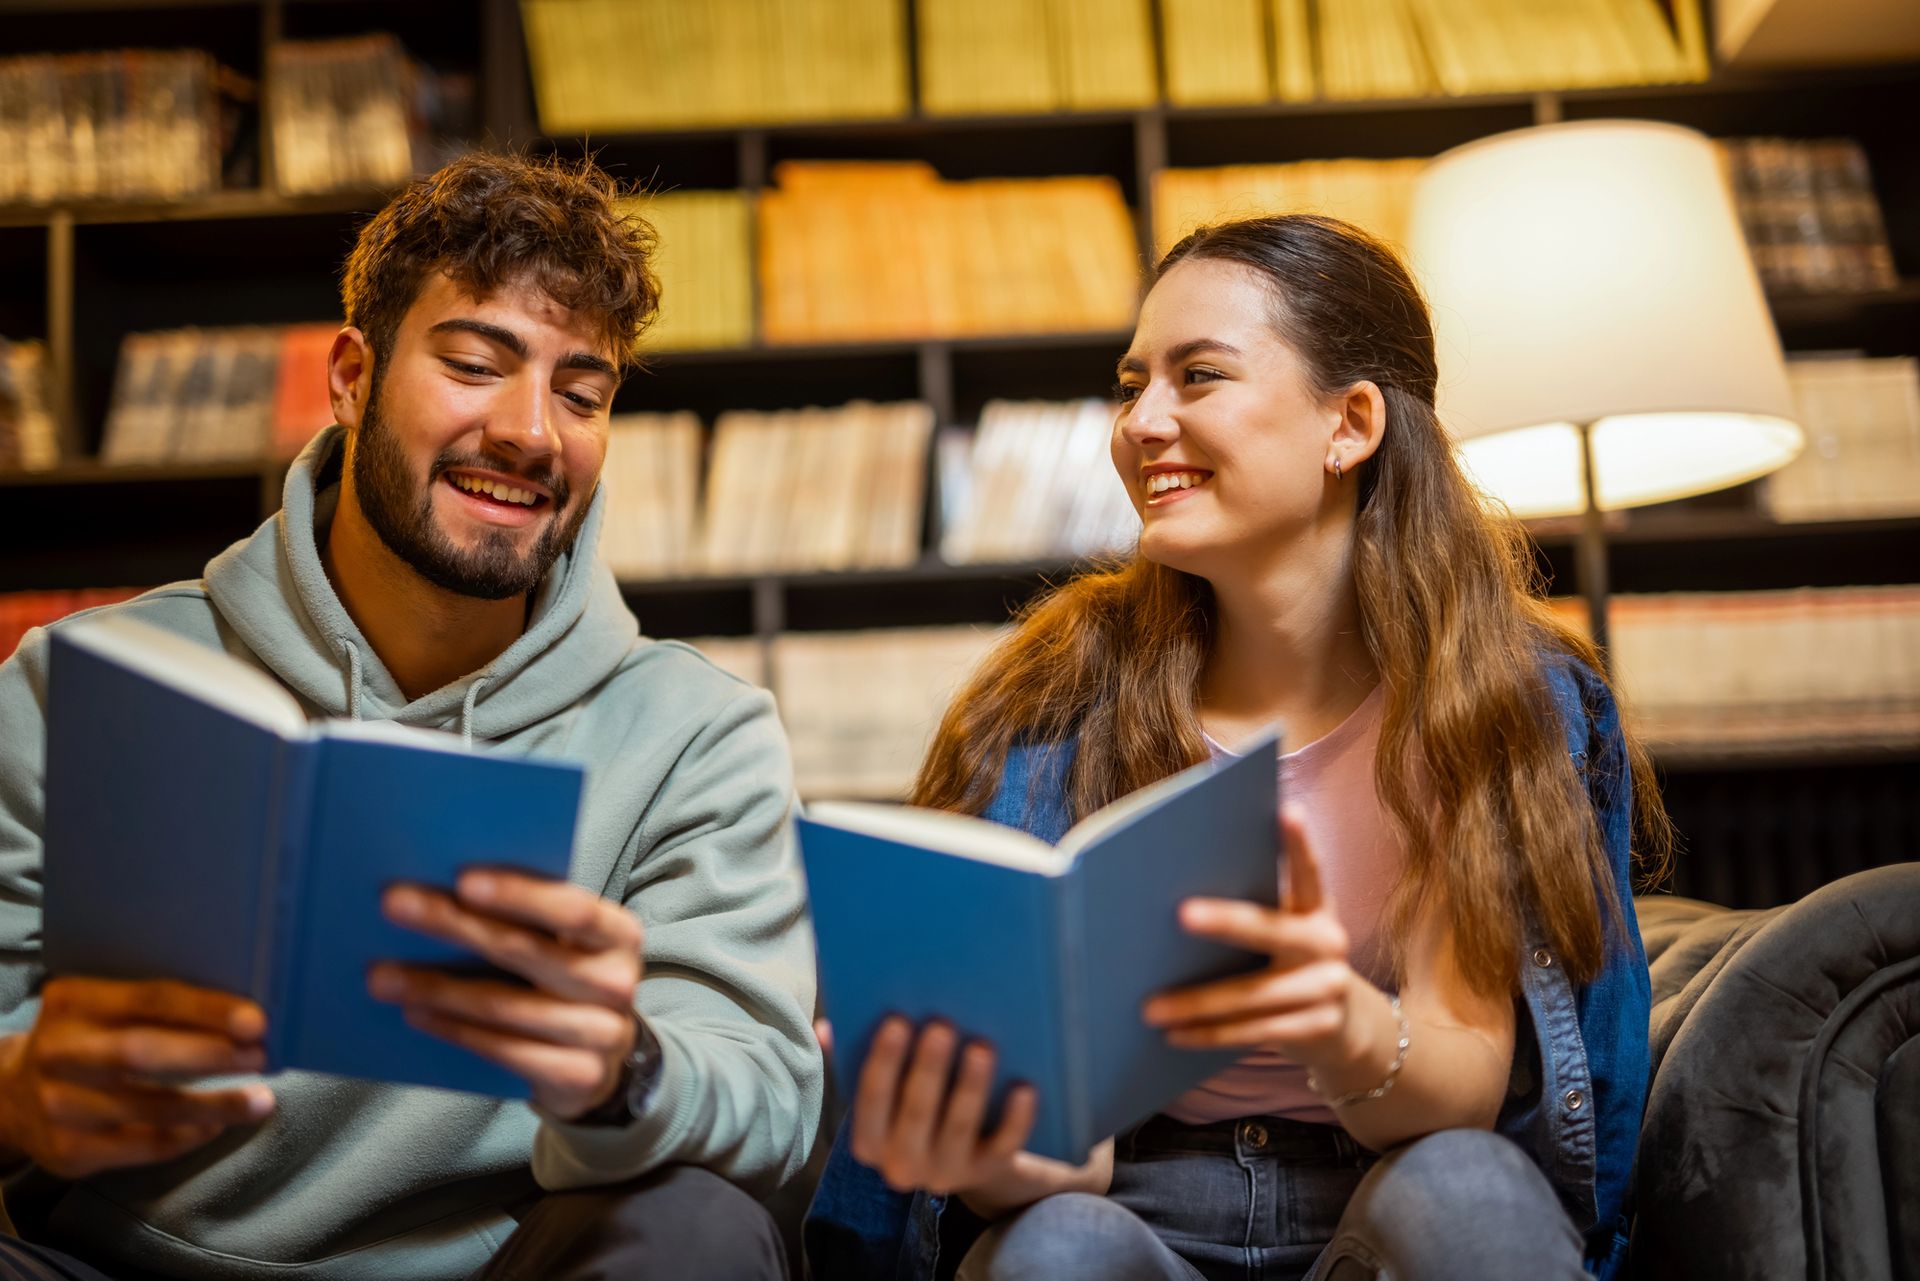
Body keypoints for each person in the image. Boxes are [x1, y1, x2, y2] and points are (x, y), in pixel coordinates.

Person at [804, 214, 1669, 1281]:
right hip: (1125, 1202)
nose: (1139, 423)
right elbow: (1058, 1178)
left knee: (1470, 1188)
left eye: (1197, 377)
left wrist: (1344, 1026)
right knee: (1052, 1246)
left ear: (1348, 424)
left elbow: (1466, 1087)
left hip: (1389, 1176)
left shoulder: (1500, 696)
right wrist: (993, 1146)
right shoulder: (1052, 699)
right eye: (1133, 385)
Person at [0, 153, 819, 1280]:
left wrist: (624, 1069)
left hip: (498, 1269)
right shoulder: (85, 675)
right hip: (102, 1261)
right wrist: (16, 1089)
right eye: (477, 364)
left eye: (582, 393)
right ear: (351, 378)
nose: (533, 432)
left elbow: (766, 1093)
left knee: (703, 1226)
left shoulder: (696, 735)